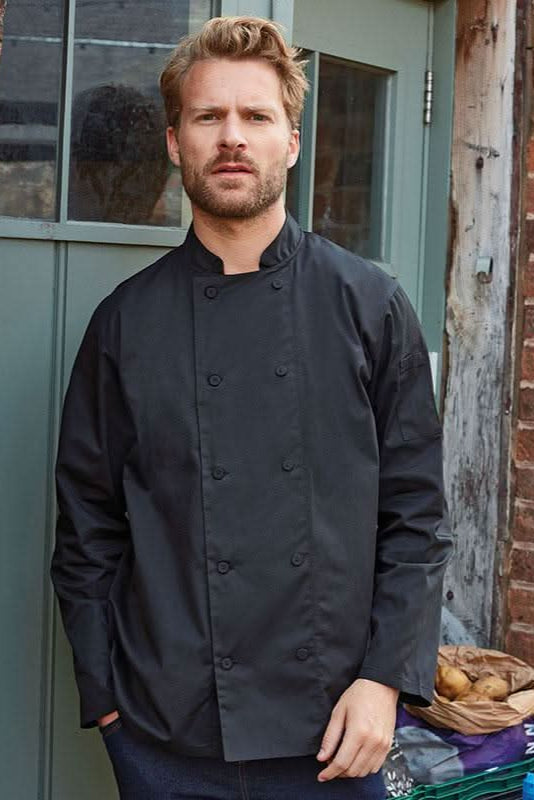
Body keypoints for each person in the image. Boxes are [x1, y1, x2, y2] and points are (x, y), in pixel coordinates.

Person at [50, 15, 454, 800]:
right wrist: (103, 696)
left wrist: (384, 681)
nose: (232, 137)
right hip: (164, 735)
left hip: (335, 733)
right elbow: (87, 527)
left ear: (291, 142)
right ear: (176, 143)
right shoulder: (124, 323)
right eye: (209, 116)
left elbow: (416, 517)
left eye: (256, 116)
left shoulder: (369, 305)